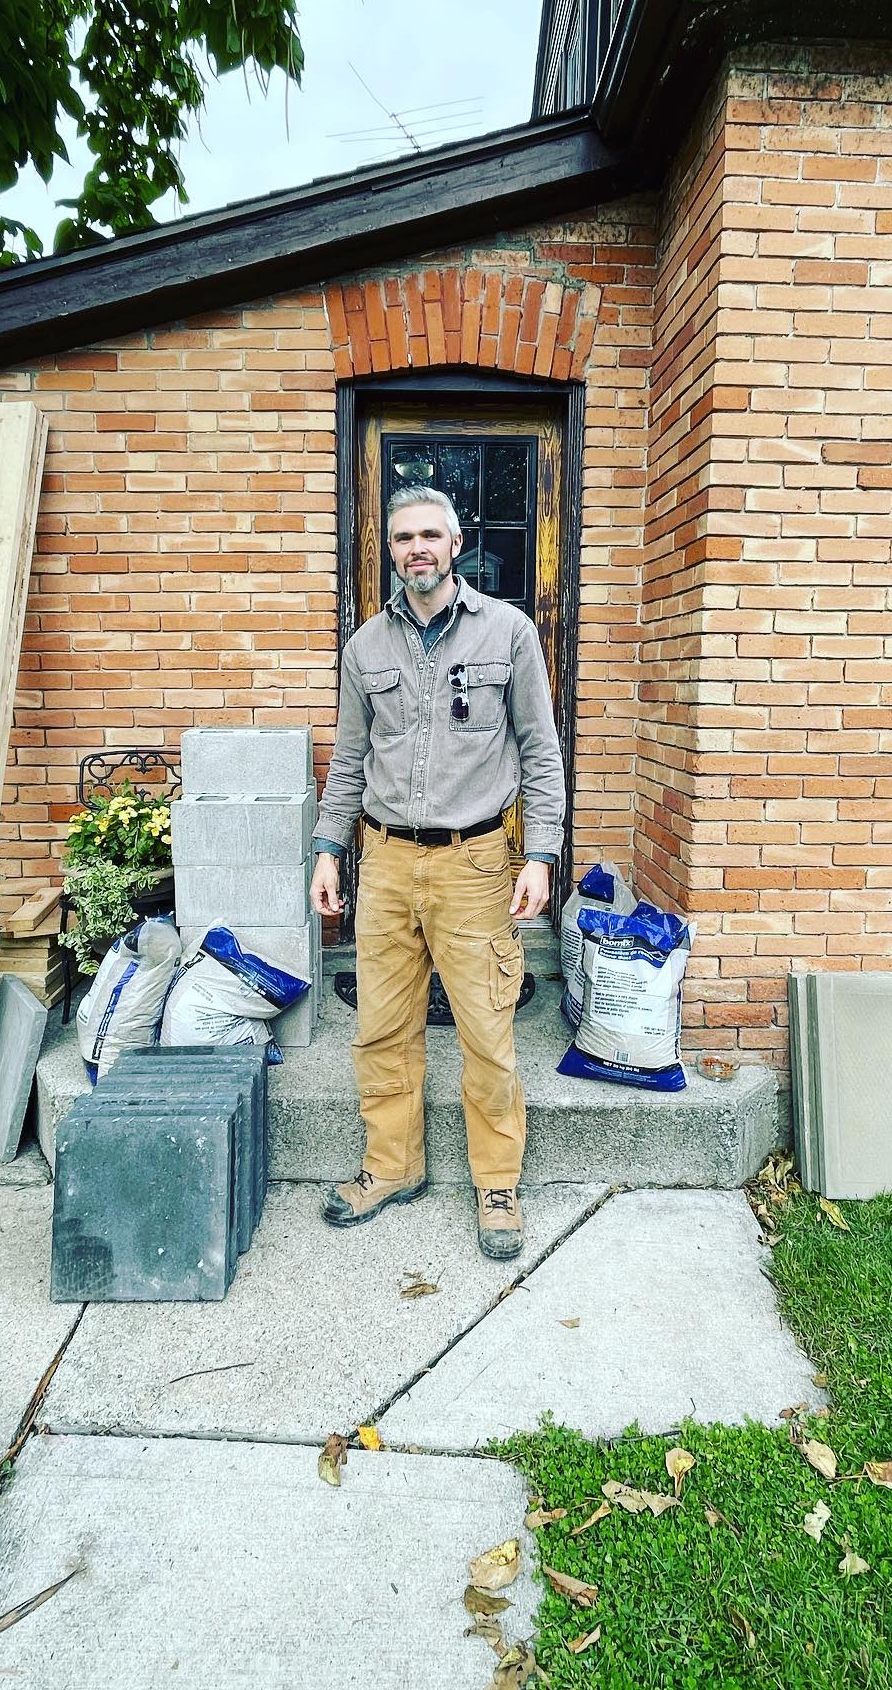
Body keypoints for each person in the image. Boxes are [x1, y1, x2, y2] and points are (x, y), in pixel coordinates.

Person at [310, 486, 566, 1259]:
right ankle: (393, 1166)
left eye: (429, 535)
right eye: (401, 538)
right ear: (389, 550)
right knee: (382, 1026)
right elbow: (350, 760)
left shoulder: (510, 633)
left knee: (487, 1029)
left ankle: (497, 1182)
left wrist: (544, 854)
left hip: (475, 863)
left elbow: (540, 749)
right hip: (384, 862)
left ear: (455, 545)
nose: (416, 548)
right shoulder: (365, 648)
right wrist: (329, 848)